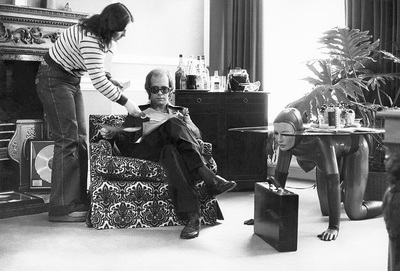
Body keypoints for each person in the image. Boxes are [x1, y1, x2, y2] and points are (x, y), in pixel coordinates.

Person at [35, 3, 144, 223]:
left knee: (81, 138)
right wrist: (127, 103)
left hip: (69, 79)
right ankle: (61, 208)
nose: (124, 34)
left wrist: (110, 78)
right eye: (122, 29)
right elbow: (97, 82)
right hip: (53, 79)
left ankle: (77, 199)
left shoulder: (99, 34)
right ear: (111, 26)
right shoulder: (92, 38)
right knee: (67, 139)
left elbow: (95, 68)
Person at [100, 68, 237, 239]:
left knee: (171, 150)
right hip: (146, 150)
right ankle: (207, 176)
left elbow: (197, 138)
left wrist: (187, 123)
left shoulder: (180, 111)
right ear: (148, 92)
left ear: (170, 91)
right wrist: (113, 133)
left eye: (164, 89)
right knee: (171, 124)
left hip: (168, 155)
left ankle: (193, 217)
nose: (160, 93)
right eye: (155, 89)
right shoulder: (138, 111)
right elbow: (126, 134)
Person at [272, 108, 382, 241]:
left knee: (355, 212)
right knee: (326, 210)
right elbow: (279, 181)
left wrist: (334, 227)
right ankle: (346, 197)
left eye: (284, 134)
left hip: (355, 148)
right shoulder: (286, 143)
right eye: (276, 133)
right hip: (328, 155)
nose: (279, 139)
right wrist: (264, 215)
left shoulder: (320, 142)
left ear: (297, 132)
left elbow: (333, 182)